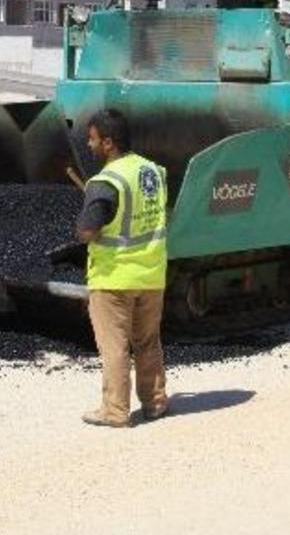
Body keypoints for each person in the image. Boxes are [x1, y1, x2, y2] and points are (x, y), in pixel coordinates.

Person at [76, 109, 169, 428]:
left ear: (108, 142)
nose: (89, 146)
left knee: (115, 347)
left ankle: (115, 411)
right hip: (152, 274)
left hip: (114, 278)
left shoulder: (105, 182)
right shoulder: (153, 172)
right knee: (147, 342)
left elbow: (88, 230)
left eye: (92, 140)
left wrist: (87, 230)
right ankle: (155, 402)